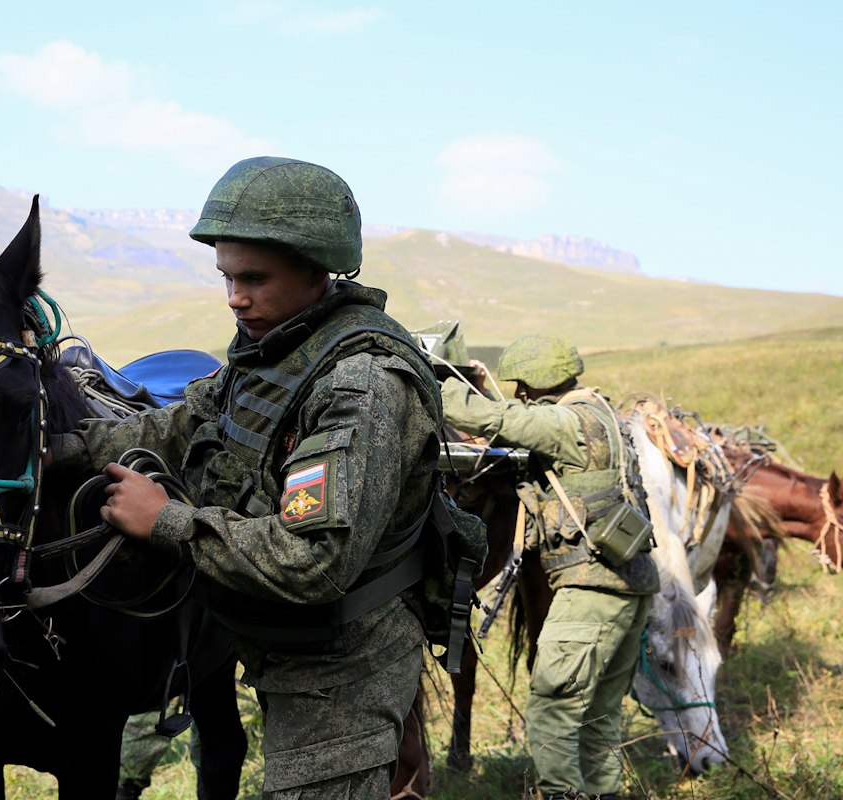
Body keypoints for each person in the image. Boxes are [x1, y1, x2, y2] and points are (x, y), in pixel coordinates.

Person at [47, 156, 443, 799]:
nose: (236, 297)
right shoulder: (272, 352)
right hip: (280, 646)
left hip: (341, 665)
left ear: (318, 270)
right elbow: (172, 427)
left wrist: (165, 521)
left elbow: (313, 559)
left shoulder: (360, 385)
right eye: (227, 277)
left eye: (255, 278)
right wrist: (54, 447)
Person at [439, 333, 659, 800]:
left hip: (589, 588)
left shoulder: (564, 422)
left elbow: (487, 416)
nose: (518, 394)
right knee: (599, 714)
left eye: (523, 385)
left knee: (553, 708)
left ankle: (561, 794)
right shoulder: (605, 416)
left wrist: (432, 377)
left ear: (537, 384)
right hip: (632, 585)